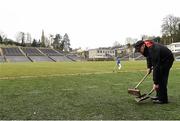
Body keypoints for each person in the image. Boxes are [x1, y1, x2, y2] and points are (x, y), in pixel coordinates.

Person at [134, 40, 174, 104]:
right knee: (158, 77)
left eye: (139, 50)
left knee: (161, 78)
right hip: (161, 59)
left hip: (166, 60)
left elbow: (156, 67)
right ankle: (158, 96)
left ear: (143, 45)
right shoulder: (147, 48)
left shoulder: (153, 49)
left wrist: (155, 83)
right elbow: (148, 57)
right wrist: (149, 67)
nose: (139, 52)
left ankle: (163, 99)